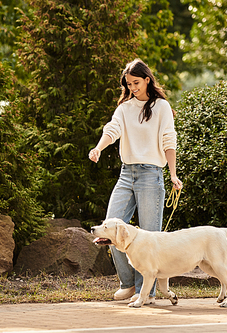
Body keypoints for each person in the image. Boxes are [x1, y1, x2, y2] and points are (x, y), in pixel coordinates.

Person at [88, 59, 182, 304]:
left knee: (151, 236)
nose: (132, 88)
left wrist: (172, 174)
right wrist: (98, 148)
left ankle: (146, 292)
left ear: (147, 80)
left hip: (151, 175)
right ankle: (128, 284)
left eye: (136, 83)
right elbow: (112, 130)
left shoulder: (161, 107)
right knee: (110, 229)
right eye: (129, 84)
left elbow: (168, 141)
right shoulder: (124, 108)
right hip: (126, 174)